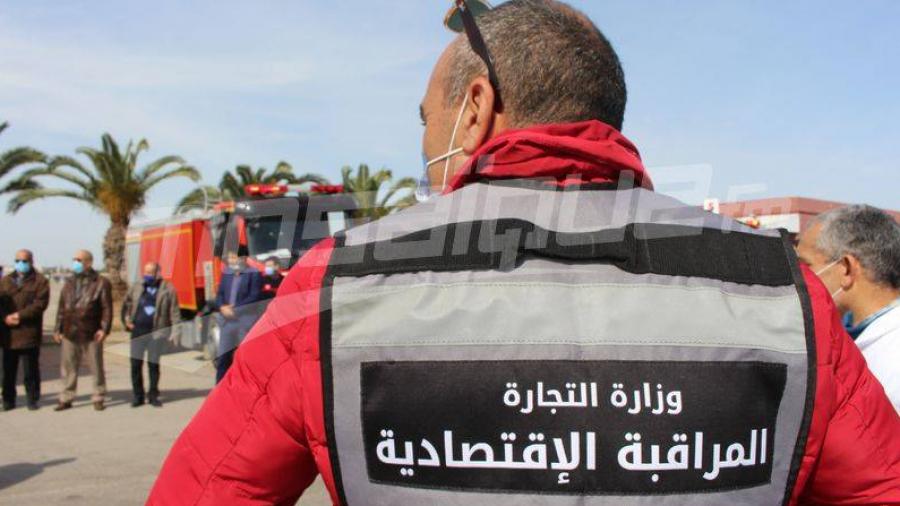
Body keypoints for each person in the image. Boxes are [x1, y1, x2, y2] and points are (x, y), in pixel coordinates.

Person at [149, 1, 900, 504]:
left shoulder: (336, 285)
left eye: (426, 118)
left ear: (475, 108)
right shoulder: (780, 287)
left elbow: (210, 489)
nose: (424, 142)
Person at [797, 205, 900, 410]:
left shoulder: (893, 358)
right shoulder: (846, 333)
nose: (797, 277)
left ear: (846, 269)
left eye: (805, 266)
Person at [54, 249, 112, 411]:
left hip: (91, 331)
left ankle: (98, 396)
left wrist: (104, 328)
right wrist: (58, 328)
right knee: (68, 367)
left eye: (79, 260)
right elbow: (61, 308)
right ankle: (66, 397)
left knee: (96, 366)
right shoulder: (69, 282)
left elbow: (107, 308)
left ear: (89, 262)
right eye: (74, 259)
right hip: (69, 331)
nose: (75, 263)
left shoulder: (101, 282)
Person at [121, 262, 181, 407]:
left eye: (151, 272)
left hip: (156, 333)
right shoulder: (137, 287)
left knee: (153, 365)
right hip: (138, 332)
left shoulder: (168, 289)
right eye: (146, 272)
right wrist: (126, 320)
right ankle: (138, 396)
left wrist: (175, 332)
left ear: (158, 273)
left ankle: (153, 395)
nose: (148, 275)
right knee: (135, 365)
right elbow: (126, 304)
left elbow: (174, 312)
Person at [0, 249, 50, 411]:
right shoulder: (6, 281)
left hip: (29, 332)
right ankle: (8, 400)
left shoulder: (40, 281)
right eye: (18, 260)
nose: (20, 264)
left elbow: (40, 304)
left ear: (31, 261)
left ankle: (32, 399)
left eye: (24, 261)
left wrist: (19, 315)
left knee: (30, 370)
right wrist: (5, 317)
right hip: (9, 334)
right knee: (8, 371)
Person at [213, 249, 262, 383]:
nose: (231, 261)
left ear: (243, 258)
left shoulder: (254, 274)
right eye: (230, 258)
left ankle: (249, 386)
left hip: (245, 321)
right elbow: (220, 294)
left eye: (234, 258)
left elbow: (254, 297)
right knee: (223, 357)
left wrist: (235, 310)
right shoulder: (227, 273)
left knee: (246, 358)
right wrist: (222, 307)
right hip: (228, 322)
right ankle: (220, 387)